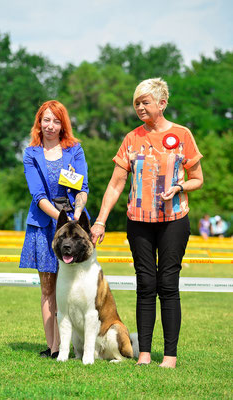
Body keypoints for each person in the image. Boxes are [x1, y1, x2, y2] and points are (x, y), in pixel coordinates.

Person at [91, 78, 203, 368]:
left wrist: (180, 187)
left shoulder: (182, 135)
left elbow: (198, 179)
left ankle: (169, 356)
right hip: (138, 222)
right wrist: (100, 221)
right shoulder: (131, 138)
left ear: (162, 103)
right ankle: (144, 354)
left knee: (168, 285)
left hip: (174, 222)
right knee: (145, 285)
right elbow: (116, 184)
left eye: (145, 102)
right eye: (136, 103)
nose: (140, 107)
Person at [19, 100, 89, 358]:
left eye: (56, 121)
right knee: (48, 288)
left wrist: (77, 214)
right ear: (39, 122)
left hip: (74, 229)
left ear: (63, 124)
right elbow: (38, 195)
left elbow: (83, 189)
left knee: (73, 288)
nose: (50, 125)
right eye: (45, 120)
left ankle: (80, 344)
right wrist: (62, 220)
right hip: (43, 226)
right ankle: (54, 347)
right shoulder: (31, 153)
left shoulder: (75, 150)